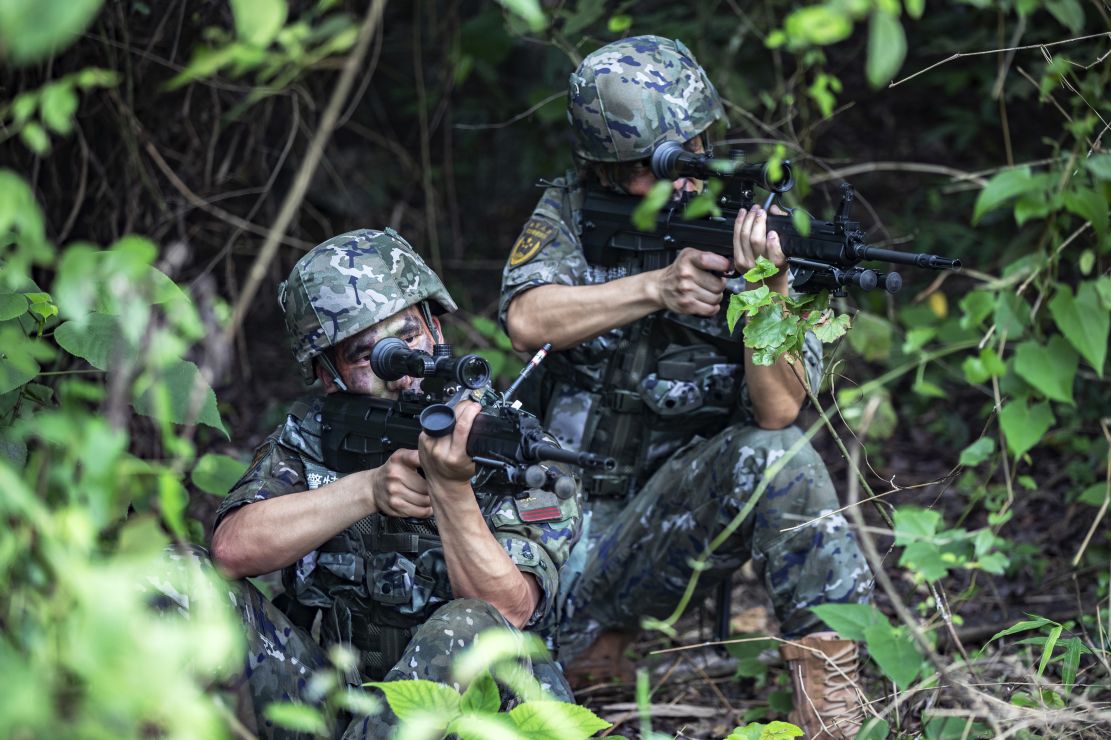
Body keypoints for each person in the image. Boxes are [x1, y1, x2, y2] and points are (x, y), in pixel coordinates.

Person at [499, 36, 873, 739]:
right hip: (543, 535)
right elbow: (527, 318)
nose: (674, 180)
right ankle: (590, 647)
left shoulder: (760, 232)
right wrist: (653, 287)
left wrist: (765, 297)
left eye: (687, 151)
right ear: (601, 168)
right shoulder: (572, 210)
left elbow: (776, 410)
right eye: (643, 168)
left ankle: (832, 717)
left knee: (783, 457)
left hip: (662, 531)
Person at [210, 228, 581, 738]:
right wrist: (366, 490)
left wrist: (451, 489)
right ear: (326, 374)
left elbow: (507, 609)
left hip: (475, 717)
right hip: (334, 702)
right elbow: (231, 550)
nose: (403, 371)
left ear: (434, 326)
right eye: (367, 356)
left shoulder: (512, 444)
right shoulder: (316, 435)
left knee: (468, 625)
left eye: (409, 338)